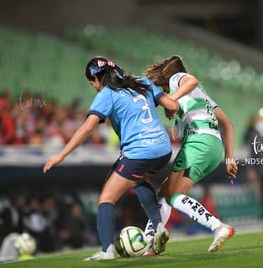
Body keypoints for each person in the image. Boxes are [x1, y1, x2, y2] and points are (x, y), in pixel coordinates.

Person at [43, 56, 178, 261]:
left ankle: (107, 251)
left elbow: (88, 128)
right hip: (163, 149)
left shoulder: (107, 94)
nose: (94, 87)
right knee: (139, 179)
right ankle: (159, 227)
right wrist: (169, 111)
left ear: (98, 78)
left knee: (106, 198)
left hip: (139, 152)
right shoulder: (140, 81)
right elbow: (173, 106)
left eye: (92, 83)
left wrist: (61, 154)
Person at [143, 55, 238, 254]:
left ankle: (218, 227)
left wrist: (171, 98)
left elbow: (191, 79)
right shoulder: (201, 95)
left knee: (174, 195)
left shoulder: (177, 79)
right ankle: (151, 241)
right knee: (166, 191)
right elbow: (228, 124)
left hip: (198, 142)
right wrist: (229, 159)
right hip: (213, 147)